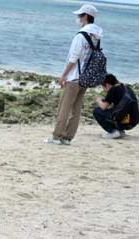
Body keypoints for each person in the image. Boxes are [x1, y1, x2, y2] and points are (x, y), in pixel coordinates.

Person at [46, 4, 103, 145]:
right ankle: (67, 137)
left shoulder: (81, 35)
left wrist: (63, 75)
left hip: (73, 77)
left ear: (85, 16)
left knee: (64, 108)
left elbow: (73, 58)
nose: (77, 18)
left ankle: (56, 136)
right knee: (76, 109)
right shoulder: (96, 36)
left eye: (79, 15)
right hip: (85, 78)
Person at [93, 74, 138, 139]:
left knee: (96, 111)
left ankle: (113, 131)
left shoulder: (113, 89)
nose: (104, 90)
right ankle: (120, 132)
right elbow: (116, 107)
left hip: (125, 120)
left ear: (107, 85)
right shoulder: (126, 88)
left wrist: (98, 100)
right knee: (114, 113)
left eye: (103, 87)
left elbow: (103, 107)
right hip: (133, 121)